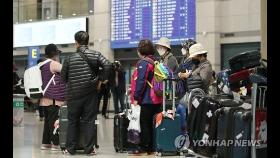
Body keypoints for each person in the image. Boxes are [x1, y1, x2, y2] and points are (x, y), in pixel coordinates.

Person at [61, 31, 112, 155]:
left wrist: (73, 82)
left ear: (76, 43)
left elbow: (63, 78)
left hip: (73, 95)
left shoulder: (69, 58)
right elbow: (108, 65)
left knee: (72, 121)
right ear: (87, 42)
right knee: (89, 120)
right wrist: (100, 81)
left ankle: (70, 149)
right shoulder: (95, 55)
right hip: (91, 95)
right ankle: (89, 149)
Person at [130, 39, 161, 155]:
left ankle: (144, 147)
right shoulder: (156, 61)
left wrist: (136, 97)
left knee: (145, 123)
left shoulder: (143, 63)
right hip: (157, 98)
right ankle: (153, 147)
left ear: (140, 50)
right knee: (153, 124)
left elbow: (141, 82)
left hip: (147, 99)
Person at [40, 44, 66, 151]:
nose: (58, 55)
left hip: (44, 99)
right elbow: (66, 71)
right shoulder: (54, 64)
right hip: (53, 99)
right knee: (54, 121)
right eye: (57, 53)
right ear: (54, 53)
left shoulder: (41, 64)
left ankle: (45, 143)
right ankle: (56, 144)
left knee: (47, 122)